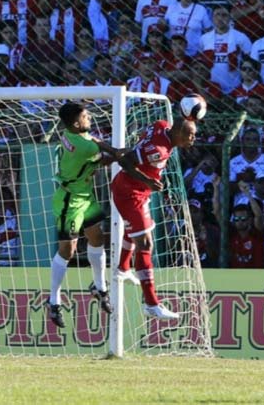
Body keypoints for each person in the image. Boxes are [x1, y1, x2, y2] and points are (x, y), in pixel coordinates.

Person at [111, 117, 197, 319]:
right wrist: (147, 179)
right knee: (145, 243)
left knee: (140, 230)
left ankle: (123, 268)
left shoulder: (162, 125)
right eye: (190, 134)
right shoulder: (157, 149)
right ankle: (151, 304)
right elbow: (124, 161)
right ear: (177, 133)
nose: (193, 139)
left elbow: (157, 125)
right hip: (129, 193)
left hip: (138, 191)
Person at [47, 102, 123, 328]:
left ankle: (99, 288)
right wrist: (125, 154)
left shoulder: (71, 134)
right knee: (67, 251)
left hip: (85, 195)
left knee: (97, 237)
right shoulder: (84, 147)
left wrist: (115, 151)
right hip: (70, 200)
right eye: (85, 115)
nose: (89, 117)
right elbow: (103, 156)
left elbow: (96, 141)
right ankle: (53, 301)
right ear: (76, 123)